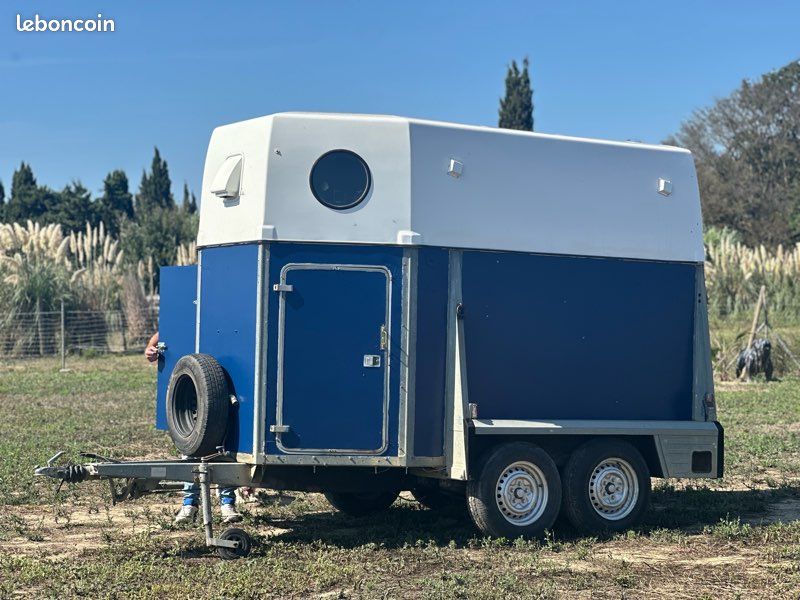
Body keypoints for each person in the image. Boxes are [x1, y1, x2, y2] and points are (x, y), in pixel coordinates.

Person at [145, 333, 243, 524]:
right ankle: (189, 505)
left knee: (224, 451)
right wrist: (150, 348)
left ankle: (227, 505)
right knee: (191, 450)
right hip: (193, 392)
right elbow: (159, 336)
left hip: (223, 391)